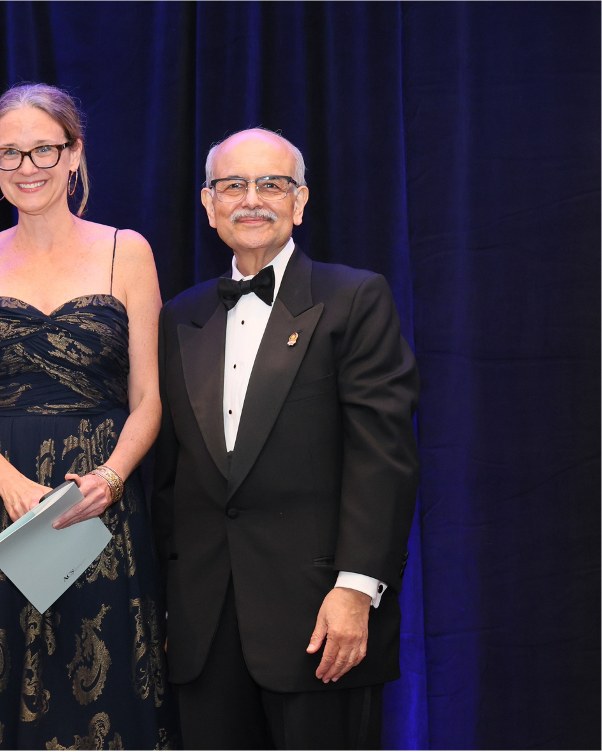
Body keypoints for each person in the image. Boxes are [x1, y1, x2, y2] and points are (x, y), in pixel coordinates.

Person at [153, 128, 419, 751]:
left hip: (321, 622)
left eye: (271, 184)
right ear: (208, 203)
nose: (252, 199)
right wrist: (170, 606)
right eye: (233, 185)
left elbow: (382, 458)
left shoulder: (354, 297)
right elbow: (170, 478)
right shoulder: (178, 318)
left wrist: (357, 590)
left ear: (300, 202)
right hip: (204, 630)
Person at [0, 83, 178, 750]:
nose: (26, 167)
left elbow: (149, 397)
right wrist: (7, 483)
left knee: (101, 696)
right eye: (8, 153)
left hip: (95, 505)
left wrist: (112, 478)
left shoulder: (125, 251)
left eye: (43, 148)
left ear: (74, 155)